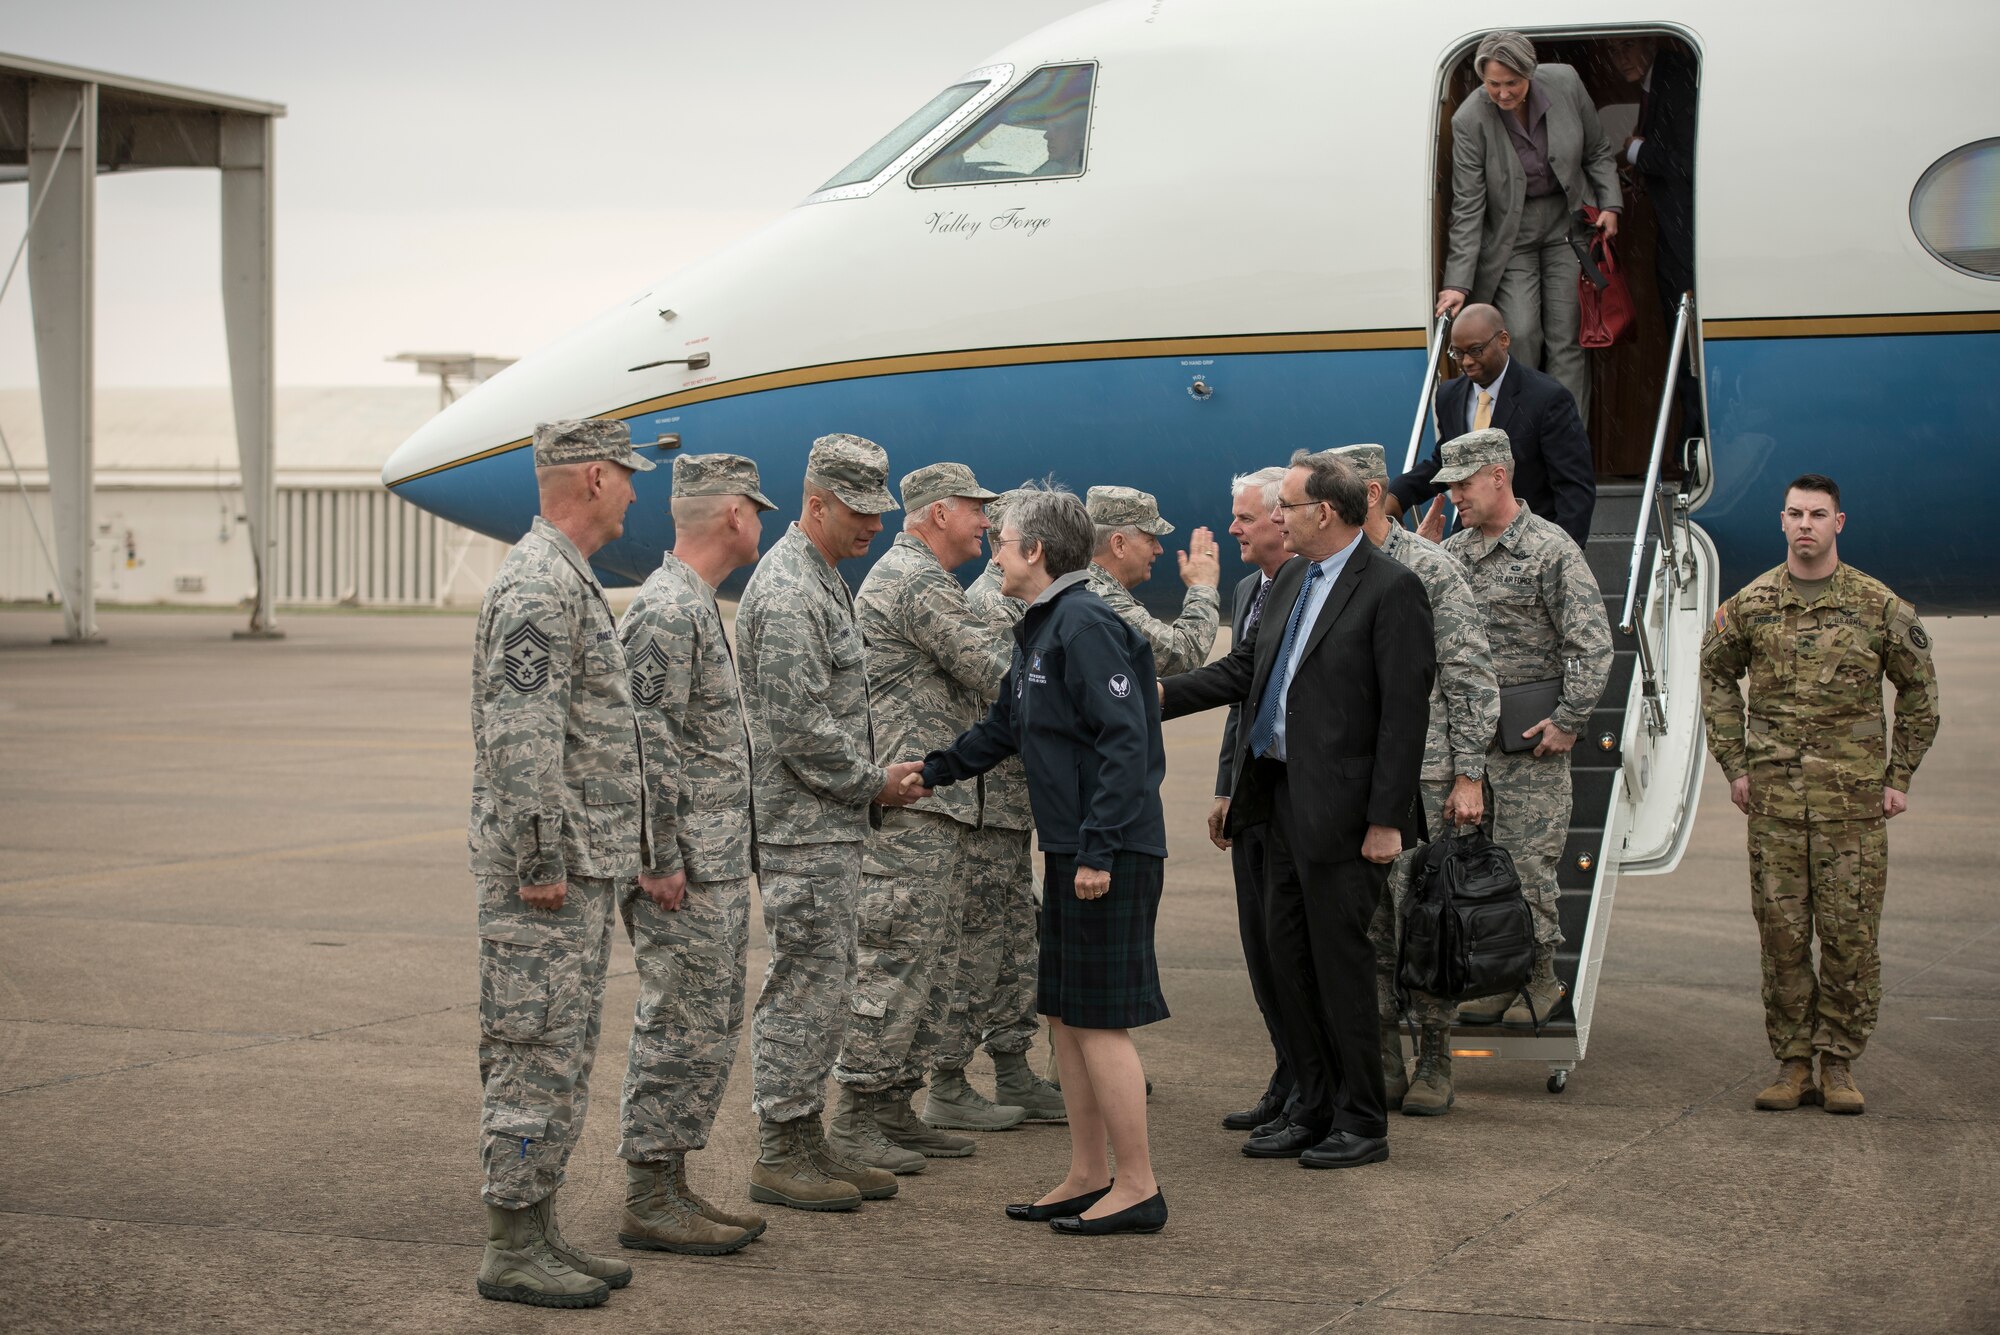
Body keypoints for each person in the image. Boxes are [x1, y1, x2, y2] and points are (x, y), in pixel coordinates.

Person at [1163, 452, 1435, 1171]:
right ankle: (1311, 1103)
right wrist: (1157, 697)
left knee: (1340, 965)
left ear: (1329, 513)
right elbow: (1244, 671)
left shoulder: (1392, 589)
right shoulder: (1287, 584)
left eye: (1286, 506)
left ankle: (1362, 1119)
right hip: (1276, 798)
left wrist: (1387, 820)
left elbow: (1404, 719)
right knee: (1287, 959)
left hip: (1346, 814)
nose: (1276, 518)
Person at [920, 484, 1173, 1236]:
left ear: (1036, 551)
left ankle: (1138, 1184)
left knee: (1099, 1022)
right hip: (1071, 848)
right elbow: (1005, 724)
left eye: (1003, 539)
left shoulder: (1085, 622)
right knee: (1064, 1017)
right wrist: (928, 772)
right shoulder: (1043, 624)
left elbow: (1126, 741)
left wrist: (1096, 847)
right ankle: (1089, 1172)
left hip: (1109, 849)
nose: (993, 548)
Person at [467, 418, 656, 1308]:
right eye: (625, 474)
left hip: (579, 869)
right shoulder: (542, 584)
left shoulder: (567, 578)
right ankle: (511, 1244)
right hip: (548, 876)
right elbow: (522, 738)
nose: (634, 489)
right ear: (591, 478)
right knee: (531, 1049)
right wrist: (541, 855)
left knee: (562, 1051)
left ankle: (537, 1228)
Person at [1700, 474, 1939, 1115]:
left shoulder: (1876, 606)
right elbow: (1715, 677)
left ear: (1840, 523)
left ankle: (1839, 1064)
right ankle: (1793, 1063)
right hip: (1774, 806)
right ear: (1782, 522)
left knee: (1849, 939)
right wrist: (1735, 764)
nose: (1806, 524)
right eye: (1796, 513)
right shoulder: (1749, 606)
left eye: (1819, 514)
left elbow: (1920, 689)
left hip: (1851, 811)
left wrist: (1899, 775)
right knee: (1781, 938)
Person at [735, 433, 930, 1213]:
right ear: (815, 502)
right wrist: (871, 783)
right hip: (802, 827)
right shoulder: (789, 588)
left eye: (881, 512)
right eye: (859, 511)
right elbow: (797, 724)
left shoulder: (822, 577)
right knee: (806, 984)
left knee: (827, 983)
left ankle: (807, 1135)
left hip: (826, 825)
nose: (874, 527)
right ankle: (782, 1146)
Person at [830, 462, 1022, 1176]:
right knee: (895, 964)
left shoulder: (930, 580)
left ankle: (892, 1107)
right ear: (939, 513)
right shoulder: (914, 580)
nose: (986, 523)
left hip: (933, 800)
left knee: (927, 967)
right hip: (909, 805)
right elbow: (997, 668)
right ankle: (855, 1116)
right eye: (977, 510)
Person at [614, 452, 775, 1257]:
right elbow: (645, 745)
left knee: (704, 1027)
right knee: (677, 1024)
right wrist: (657, 856)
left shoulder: (697, 603)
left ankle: (671, 1182)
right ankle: (648, 1192)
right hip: (680, 870)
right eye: (758, 508)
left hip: (706, 864)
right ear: (733, 516)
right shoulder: (667, 610)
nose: (762, 522)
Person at [1333, 444, 1500, 1116]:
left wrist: (1469, 776)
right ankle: (1383, 1059)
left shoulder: (1428, 568)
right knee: (1366, 929)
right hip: (1350, 780)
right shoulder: (1330, 571)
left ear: (1371, 492)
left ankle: (1435, 1056)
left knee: (1424, 924)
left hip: (1424, 782)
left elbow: (1470, 674)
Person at [1437, 429, 1613, 1028]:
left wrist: (1569, 721)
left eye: (1463, 483)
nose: (1455, 495)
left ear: (1498, 476)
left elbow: (1591, 644)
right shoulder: (1454, 555)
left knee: (1529, 866)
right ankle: (1499, 976)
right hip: (1470, 747)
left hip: (1529, 745)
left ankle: (1539, 978)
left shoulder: (1550, 550)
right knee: (1477, 866)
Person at [954, 489, 1070, 1125]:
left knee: (1013, 947)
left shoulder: (1025, 604)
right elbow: (1007, 698)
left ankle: (1013, 1068)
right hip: (987, 807)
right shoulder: (989, 604)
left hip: (1012, 806)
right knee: (982, 949)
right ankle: (961, 1076)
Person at [1437, 30, 1623, 419]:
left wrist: (1610, 203)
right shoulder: (1470, 119)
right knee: (1519, 335)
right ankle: (1524, 442)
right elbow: (1468, 206)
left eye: (1512, 84)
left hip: (1566, 228)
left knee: (1568, 339)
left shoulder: (1566, 83)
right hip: (1511, 238)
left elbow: (1598, 150)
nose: (1502, 94)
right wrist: (1457, 283)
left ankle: (1566, 442)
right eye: (1493, 84)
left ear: (1531, 73)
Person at [1207, 466, 1304, 1135]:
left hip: (1299, 796)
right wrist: (1222, 785)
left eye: (1244, 517)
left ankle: (1309, 1084)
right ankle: (1286, 1074)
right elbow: (1240, 701)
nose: (1234, 528)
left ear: (1280, 518)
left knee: (1292, 947)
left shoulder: (1312, 588)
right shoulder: (1249, 590)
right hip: (1251, 796)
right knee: (1259, 947)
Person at [1388, 303, 1597, 548]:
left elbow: (1574, 488)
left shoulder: (1547, 398)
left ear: (1504, 340)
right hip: (1468, 541)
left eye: (1475, 351)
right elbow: (1445, 462)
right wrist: (1396, 496)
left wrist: (1564, 555)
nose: (1465, 362)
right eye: (1457, 353)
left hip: (1530, 544)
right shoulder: (1449, 396)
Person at [1610, 33, 1702, 433]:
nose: (1620, 58)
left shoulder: (1677, 76)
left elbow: (1688, 160)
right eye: (1613, 51)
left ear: (1649, 43)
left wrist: (1635, 151)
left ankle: (1694, 437)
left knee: (1690, 354)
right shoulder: (1658, 79)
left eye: (1628, 46)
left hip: (1687, 244)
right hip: (1672, 238)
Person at [1084, 485, 1222, 676]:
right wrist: (1203, 588)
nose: (1159, 549)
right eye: (1151, 540)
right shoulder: (1103, 601)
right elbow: (1181, 656)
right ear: (1119, 544)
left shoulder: (1078, 585)